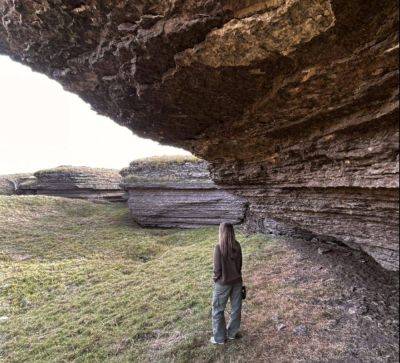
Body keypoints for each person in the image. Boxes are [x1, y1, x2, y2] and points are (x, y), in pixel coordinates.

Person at [210, 222, 243, 345]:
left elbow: (217, 269)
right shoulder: (238, 245)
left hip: (222, 284)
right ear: (232, 232)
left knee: (218, 310)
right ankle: (232, 334)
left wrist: (216, 279)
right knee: (236, 309)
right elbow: (240, 265)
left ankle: (219, 338)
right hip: (237, 282)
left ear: (221, 232)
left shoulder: (219, 248)